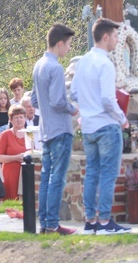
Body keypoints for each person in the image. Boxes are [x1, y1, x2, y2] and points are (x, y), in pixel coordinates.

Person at [72, 17, 132, 235]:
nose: (117, 40)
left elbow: (75, 93)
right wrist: (122, 118)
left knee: (92, 174)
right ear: (105, 37)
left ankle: (90, 222)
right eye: (115, 36)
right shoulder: (105, 63)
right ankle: (106, 222)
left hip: (88, 126)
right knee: (108, 174)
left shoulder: (83, 61)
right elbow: (108, 99)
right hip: (106, 125)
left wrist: (88, 107)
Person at [31, 23, 78, 235]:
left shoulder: (38, 65)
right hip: (60, 129)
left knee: (47, 176)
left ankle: (46, 223)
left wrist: (49, 110)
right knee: (57, 178)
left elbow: (33, 100)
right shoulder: (56, 67)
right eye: (68, 45)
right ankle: (52, 223)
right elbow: (59, 101)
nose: (68, 49)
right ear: (60, 43)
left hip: (46, 130)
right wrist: (73, 108)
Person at [0, 104, 28, 200]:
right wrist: (16, 157)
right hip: (10, 174)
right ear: (10, 119)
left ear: (25, 118)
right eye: (16, 117)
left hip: (27, 174)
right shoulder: (5, 135)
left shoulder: (30, 133)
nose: (19, 120)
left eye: (21, 117)